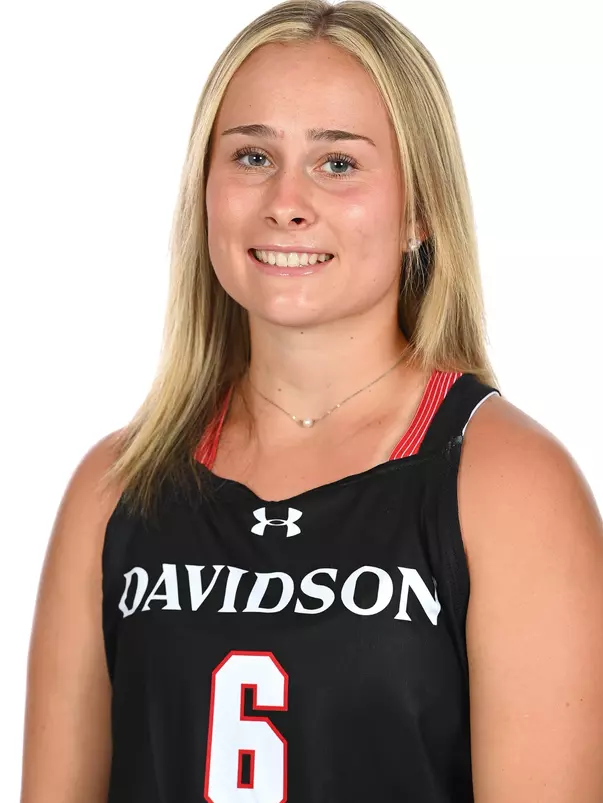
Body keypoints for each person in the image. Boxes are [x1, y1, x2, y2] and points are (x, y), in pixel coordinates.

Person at [20, 1, 603, 801]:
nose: (285, 200)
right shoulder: (115, 487)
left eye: (337, 163)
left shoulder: (506, 484)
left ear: (420, 210)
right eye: (252, 156)